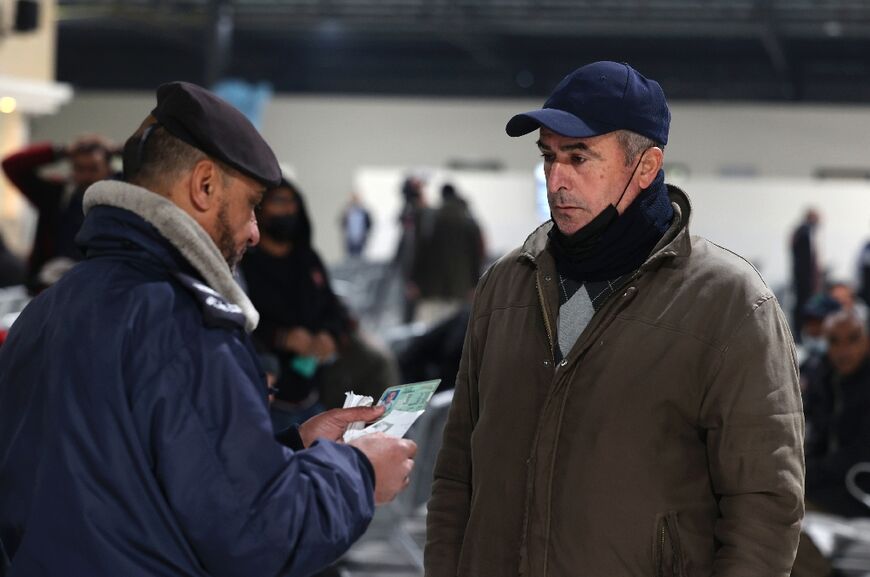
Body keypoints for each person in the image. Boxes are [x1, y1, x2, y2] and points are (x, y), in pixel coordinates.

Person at [0, 82, 416, 577]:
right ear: (204, 186)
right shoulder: (185, 325)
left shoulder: (49, 309)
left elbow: (135, 481)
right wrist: (360, 473)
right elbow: (259, 535)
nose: (255, 230)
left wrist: (291, 447)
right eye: (251, 204)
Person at [425, 61, 805, 577]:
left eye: (579, 157)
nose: (556, 179)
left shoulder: (731, 305)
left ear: (646, 166)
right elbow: (456, 475)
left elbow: (763, 505)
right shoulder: (505, 286)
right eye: (548, 156)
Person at [239, 177, 398, 424]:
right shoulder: (244, 263)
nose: (289, 210)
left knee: (376, 361)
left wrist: (330, 335)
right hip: (271, 382)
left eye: (293, 202)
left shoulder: (307, 259)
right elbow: (241, 321)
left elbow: (332, 307)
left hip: (316, 381)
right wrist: (284, 337)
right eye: (279, 201)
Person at [2, 135, 118, 291]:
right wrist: (61, 151)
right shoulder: (56, 196)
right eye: (79, 169)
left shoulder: (123, 198)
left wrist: (119, 150)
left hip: (105, 284)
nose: (86, 176)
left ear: (108, 169)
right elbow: (12, 165)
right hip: (54, 284)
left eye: (93, 169)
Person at [804, 308, 870, 519]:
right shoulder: (825, 378)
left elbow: (861, 451)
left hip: (859, 491)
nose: (844, 349)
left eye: (853, 339)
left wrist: (808, 473)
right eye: (834, 341)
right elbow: (817, 433)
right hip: (832, 485)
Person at [410, 183, 483, 325]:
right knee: (453, 330)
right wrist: (475, 283)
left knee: (429, 329)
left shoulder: (431, 218)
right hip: (459, 285)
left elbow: (420, 252)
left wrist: (415, 280)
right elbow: (476, 256)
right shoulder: (468, 222)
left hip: (432, 285)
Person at [791, 208, 822, 339]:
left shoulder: (802, 232)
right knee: (802, 306)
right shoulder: (804, 232)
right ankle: (799, 334)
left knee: (801, 305)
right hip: (803, 278)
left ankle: (800, 333)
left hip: (802, 277)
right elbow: (806, 260)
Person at [339, 191, 372, 258]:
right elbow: (342, 222)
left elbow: (369, 223)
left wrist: (366, 233)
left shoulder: (363, 211)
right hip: (350, 237)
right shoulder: (347, 211)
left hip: (360, 237)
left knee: (359, 256)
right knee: (351, 256)